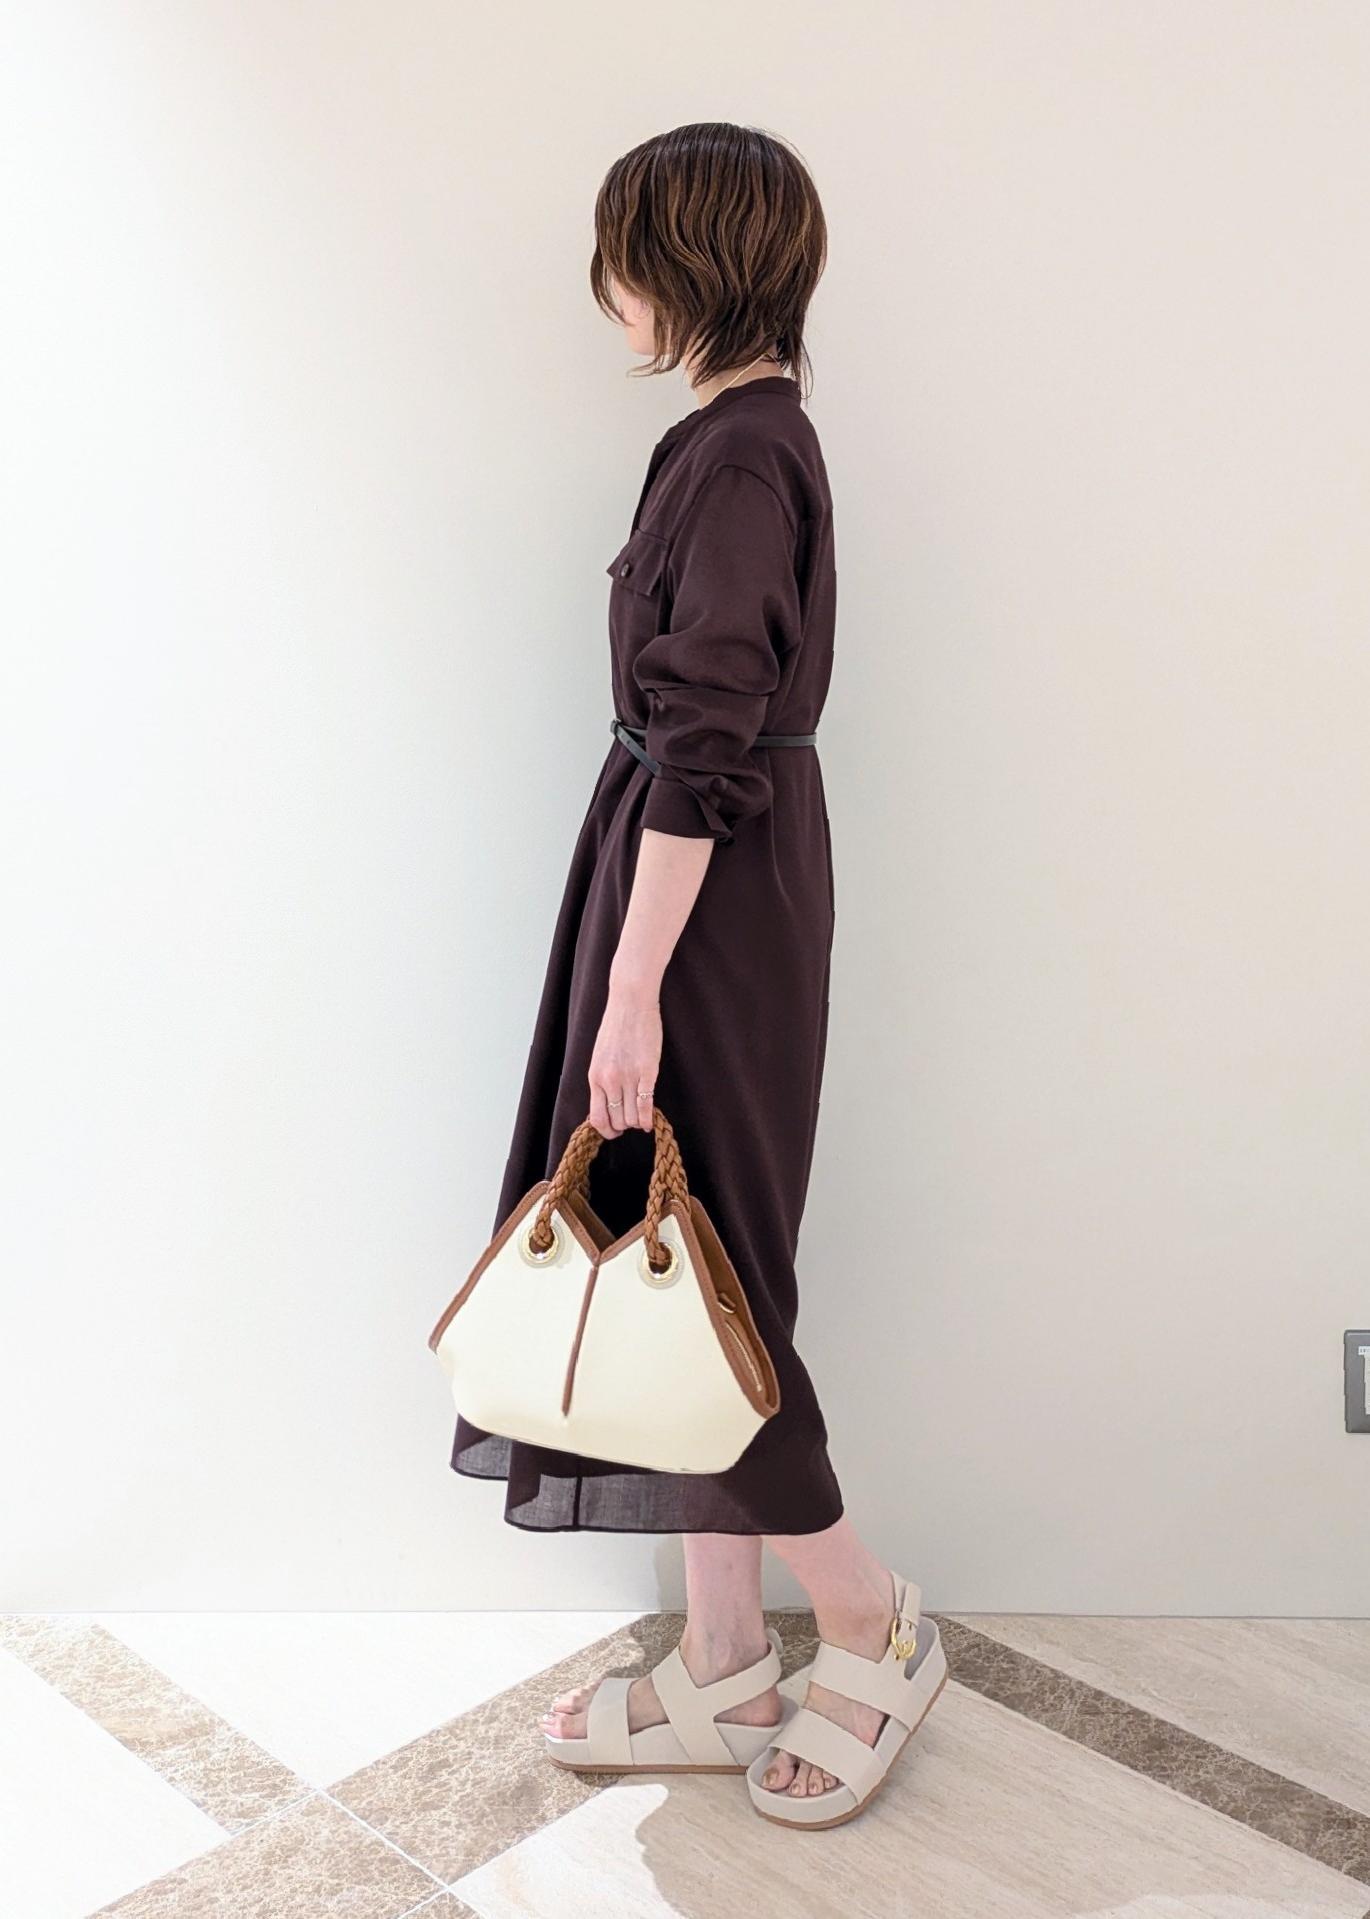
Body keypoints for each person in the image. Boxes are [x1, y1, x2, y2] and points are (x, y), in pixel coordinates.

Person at [449, 122, 943, 1822]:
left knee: (710, 1276)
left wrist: (635, 982)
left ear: (681, 263)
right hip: (684, 871)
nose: (606, 289)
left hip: (704, 895)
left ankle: (868, 1622)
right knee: (675, 1253)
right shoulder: (730, 438)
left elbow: (707, 739)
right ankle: (726, 1659)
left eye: (622, 254)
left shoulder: (740, 456)